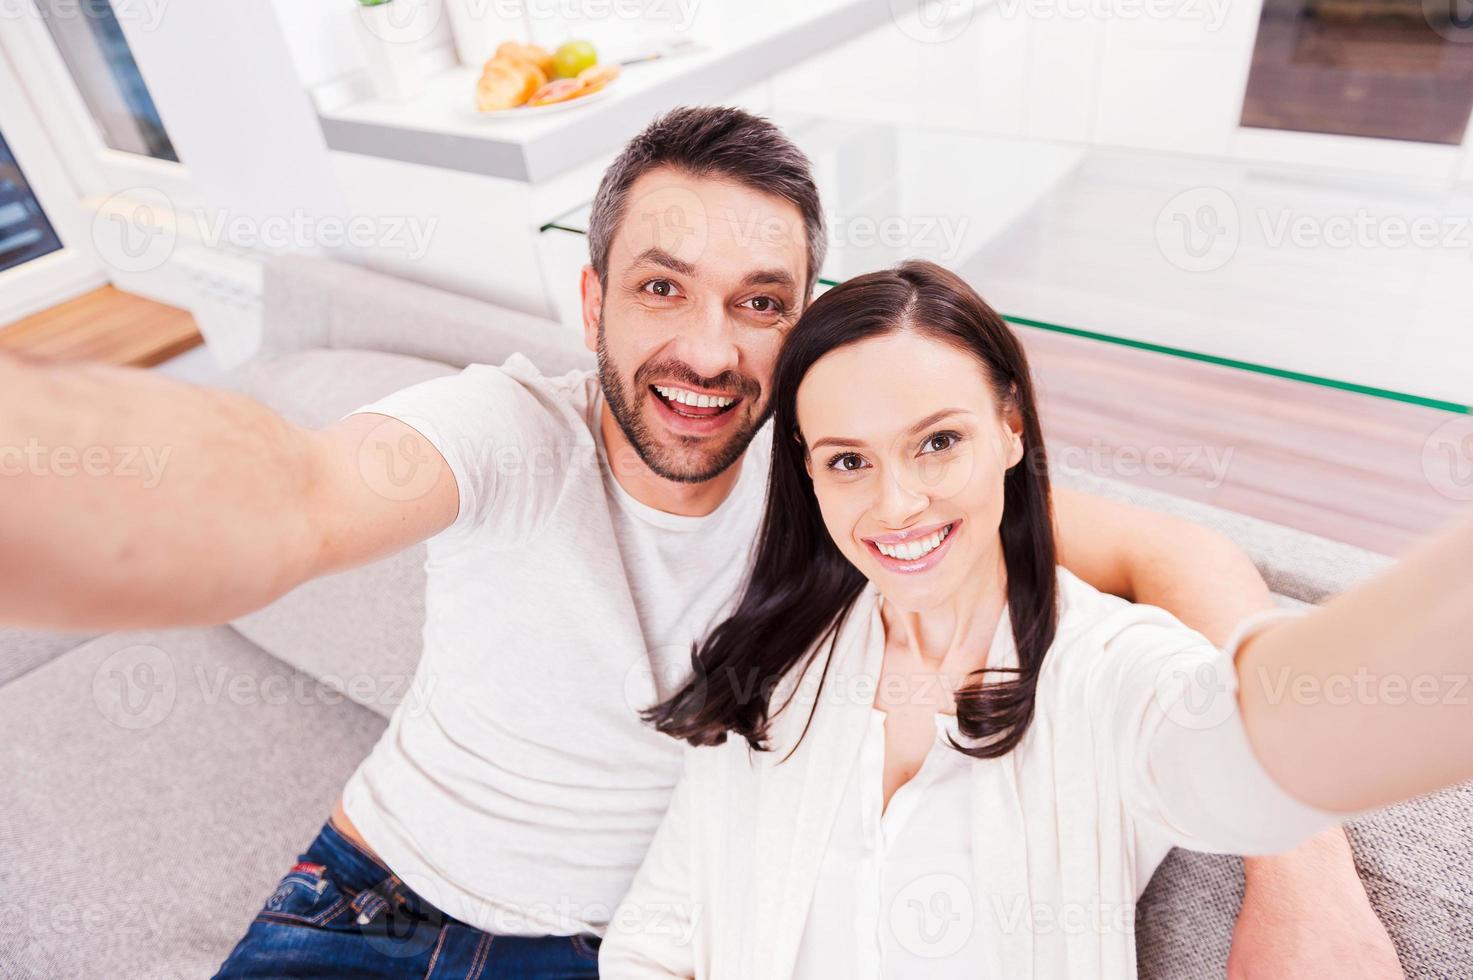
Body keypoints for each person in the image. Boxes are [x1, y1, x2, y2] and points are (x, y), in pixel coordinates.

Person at [0, 109, 1393, 978]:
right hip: (363, 904)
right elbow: (289, 494)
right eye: (663, 288)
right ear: (595, 296)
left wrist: (1305, 893)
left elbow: (1182, 562)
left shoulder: (852, 485)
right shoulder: (505, 427)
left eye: (760, 301)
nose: (707, 351)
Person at [600, 260, 1472, 979]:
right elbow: (655, 938)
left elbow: (1259, 743)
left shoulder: (1102, 670)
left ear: (1010, 429)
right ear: (808, 470)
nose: (896, 504)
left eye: (937, 442)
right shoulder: (774, 664)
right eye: (848, 460)